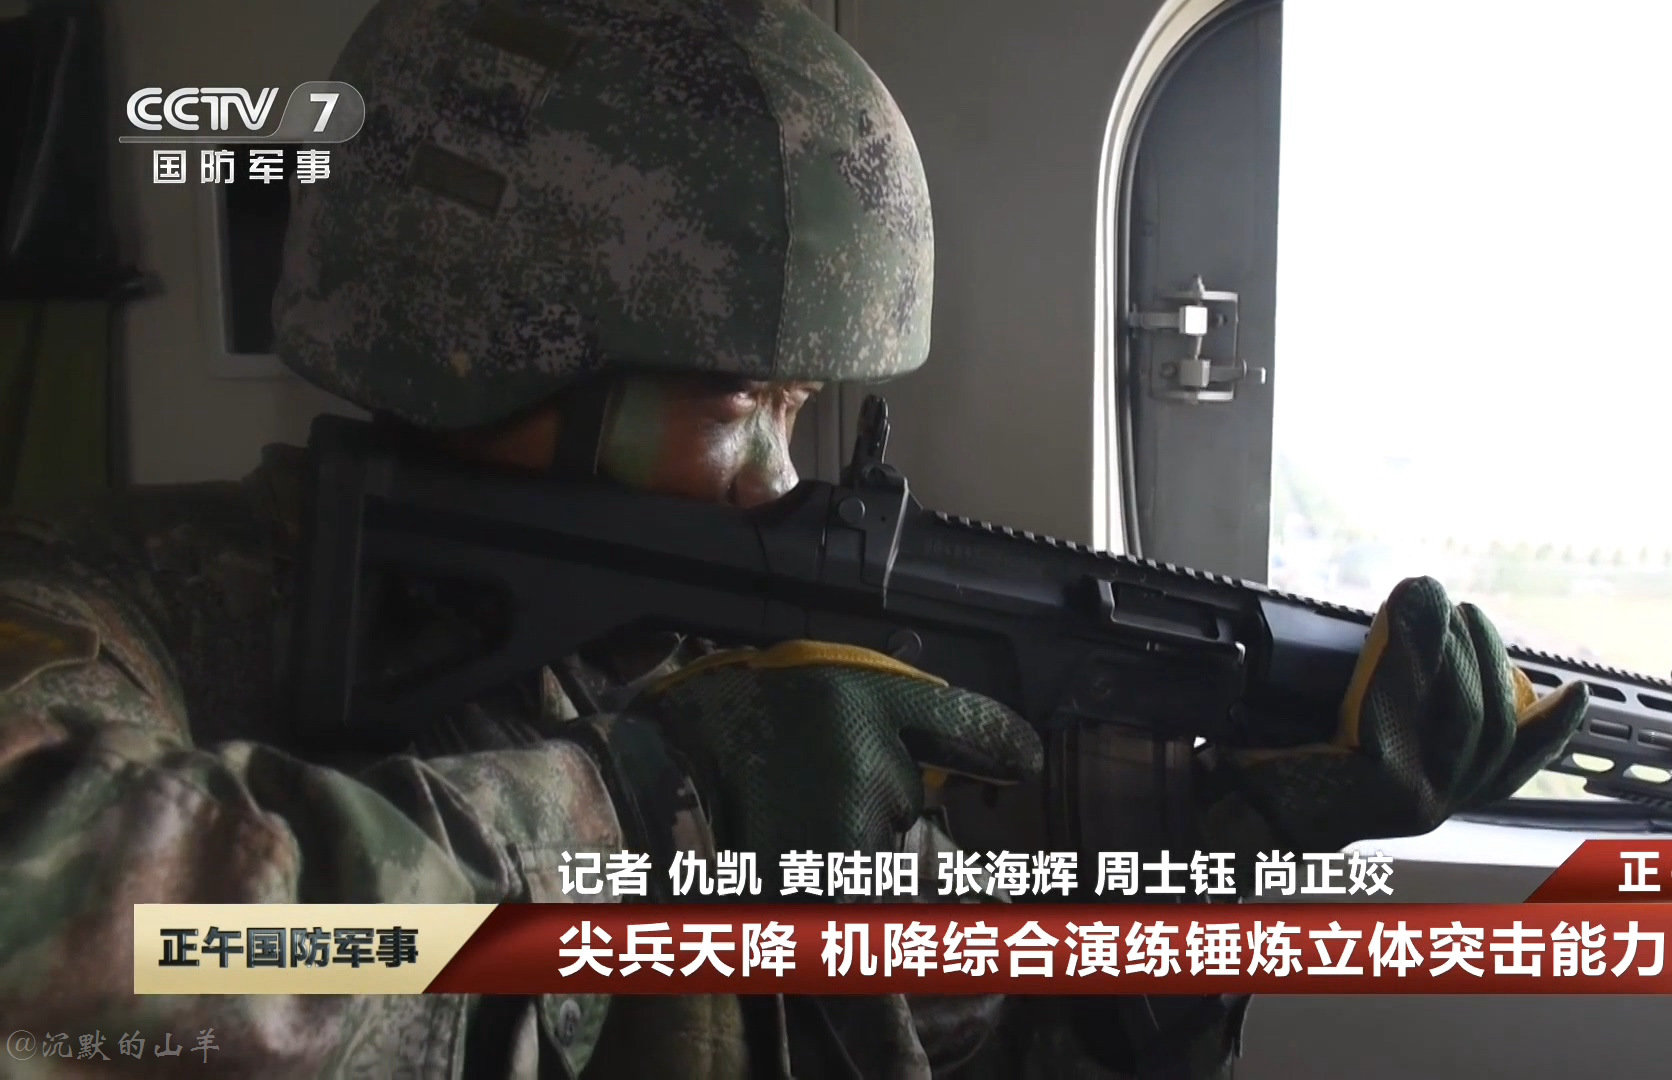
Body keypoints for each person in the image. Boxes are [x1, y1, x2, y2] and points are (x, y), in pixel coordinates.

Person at [0, 0, 1588, 1076]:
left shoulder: (727, 684)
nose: (778, 479)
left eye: (801, 410)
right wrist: (636, 803)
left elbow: (969, 1045)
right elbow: (62, 940)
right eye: (736, 403)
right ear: (483, 351)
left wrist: (1218, 868)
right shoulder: (101, 613)